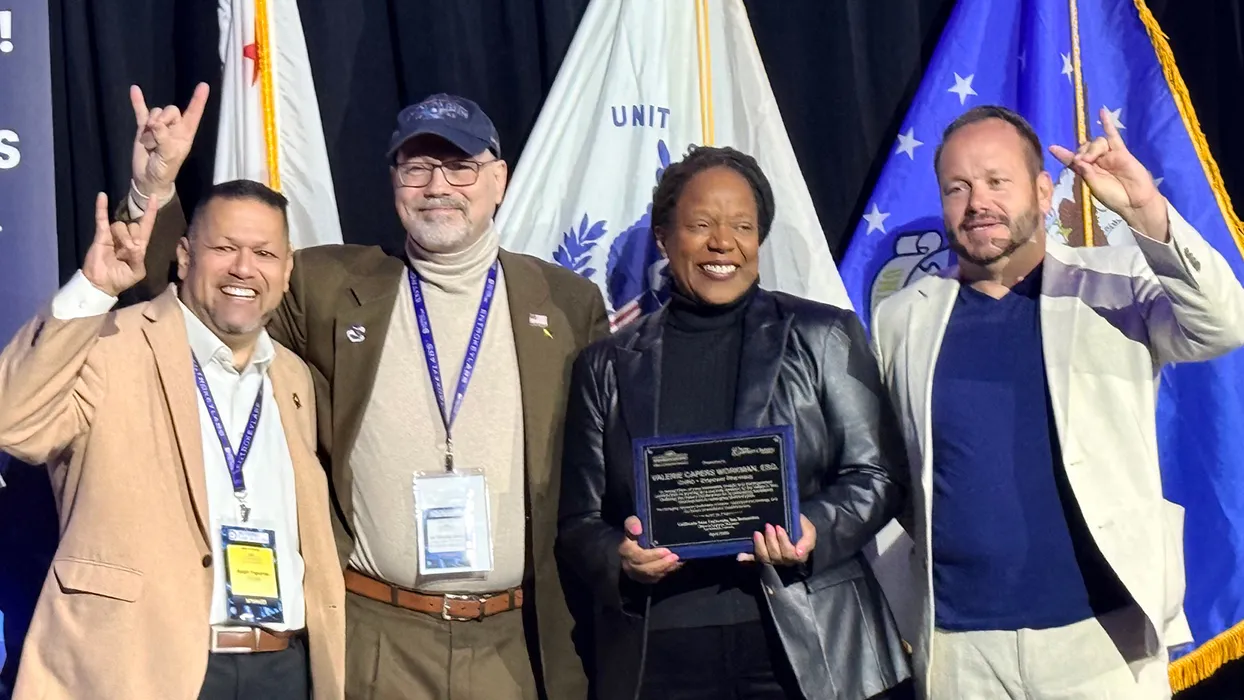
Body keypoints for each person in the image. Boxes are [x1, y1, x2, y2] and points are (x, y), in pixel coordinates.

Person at [130, 90, 608, 699]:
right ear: (394, 183)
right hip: (376, 639)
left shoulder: (567, 303)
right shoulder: (329, 287)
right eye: (416, 168)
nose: (438, 186)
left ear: (498, 180)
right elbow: (202, 296)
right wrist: (155, 193)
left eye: (460, 167)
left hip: (515, 643)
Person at [870, 105, 1244, 699]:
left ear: (1044, 191)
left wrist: (1145, 209)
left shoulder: (1118, 283)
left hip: (1100, 642)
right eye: (958, 187)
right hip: (959, 653)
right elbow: (889, 468)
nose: (978, 203)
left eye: (997, 181)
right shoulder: (900, 318)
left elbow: (1224, 325)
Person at [558, 145, 913, 700]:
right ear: (663, 237)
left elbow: (878, 474)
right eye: (701, 224)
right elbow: (579, 521)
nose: (722, 243)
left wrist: (814, 527)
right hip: (662, 658)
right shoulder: (605, 365)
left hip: (809, 649)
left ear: (759, 239)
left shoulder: (823, 336)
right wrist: (619, 558)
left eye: (742, 226)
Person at [0, 180, 346, 700]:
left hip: (280, 666)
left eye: (265, 253)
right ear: (185, 255)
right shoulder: (111, 342)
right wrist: (93, 289)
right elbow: (15, 420)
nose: (244, 269)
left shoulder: (293, 377)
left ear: (287, 269)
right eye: (224, 248)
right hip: (140, 666)